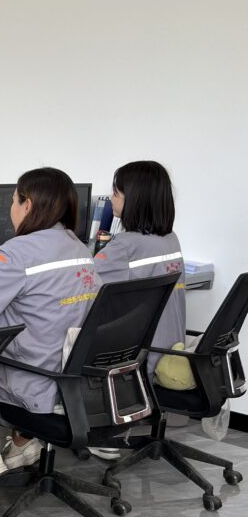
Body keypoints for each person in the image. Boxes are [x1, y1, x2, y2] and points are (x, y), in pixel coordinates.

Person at [0, 167, 100, 474]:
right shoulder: (79, 247)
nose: (11, 208)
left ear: (27, 205)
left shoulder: (19, 252)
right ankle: (22, 444)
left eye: (13, 200)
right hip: (73, 385)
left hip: (32, 383)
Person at [94, 161, 185, 378]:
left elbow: (80, 284)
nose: (111, 198)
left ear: (134, 199)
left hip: (139, 361)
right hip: (171, 353)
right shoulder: (171, 240)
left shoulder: (124, 246)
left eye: (116, 192)